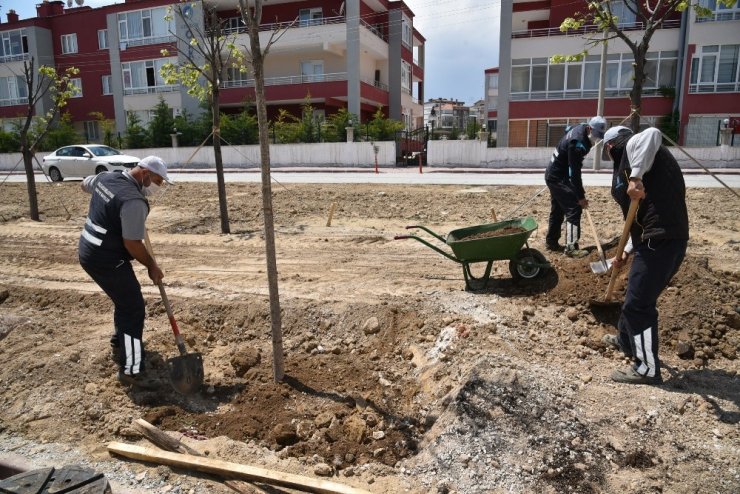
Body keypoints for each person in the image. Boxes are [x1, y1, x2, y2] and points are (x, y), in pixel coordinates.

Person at [601, 126, 689, 385]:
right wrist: (626, 251)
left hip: (659, 241)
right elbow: (634, 220)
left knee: (638, 304)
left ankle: (647, 369)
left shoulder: (633, 146)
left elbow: (652, 132)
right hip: (659, 240)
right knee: (636, 295)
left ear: (609, 147)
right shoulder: (647, 160)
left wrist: (635, 176)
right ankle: (625, 340)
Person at [78, 156, 172, 389]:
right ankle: (131, 369)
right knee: (132, 307)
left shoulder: (107, 177)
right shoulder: (133, 202)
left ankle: (120, 343)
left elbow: (85, 184)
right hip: (106, 259)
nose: (158, 187)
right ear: (145, 174)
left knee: (124, 301)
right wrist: (151, 265)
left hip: (88, 249)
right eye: (158, 181)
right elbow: (132, 243)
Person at [544, 116, 607, 257]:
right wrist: (581, 197)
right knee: (574, 208)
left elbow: (568, 129)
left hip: (556, 174)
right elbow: (576, 174)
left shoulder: (582, 128)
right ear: (590, 128)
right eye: (596, 135)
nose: (597, 138)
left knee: (558, 209)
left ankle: (551, 242)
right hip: (557, 177)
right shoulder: (577, 144)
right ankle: (571, 248)